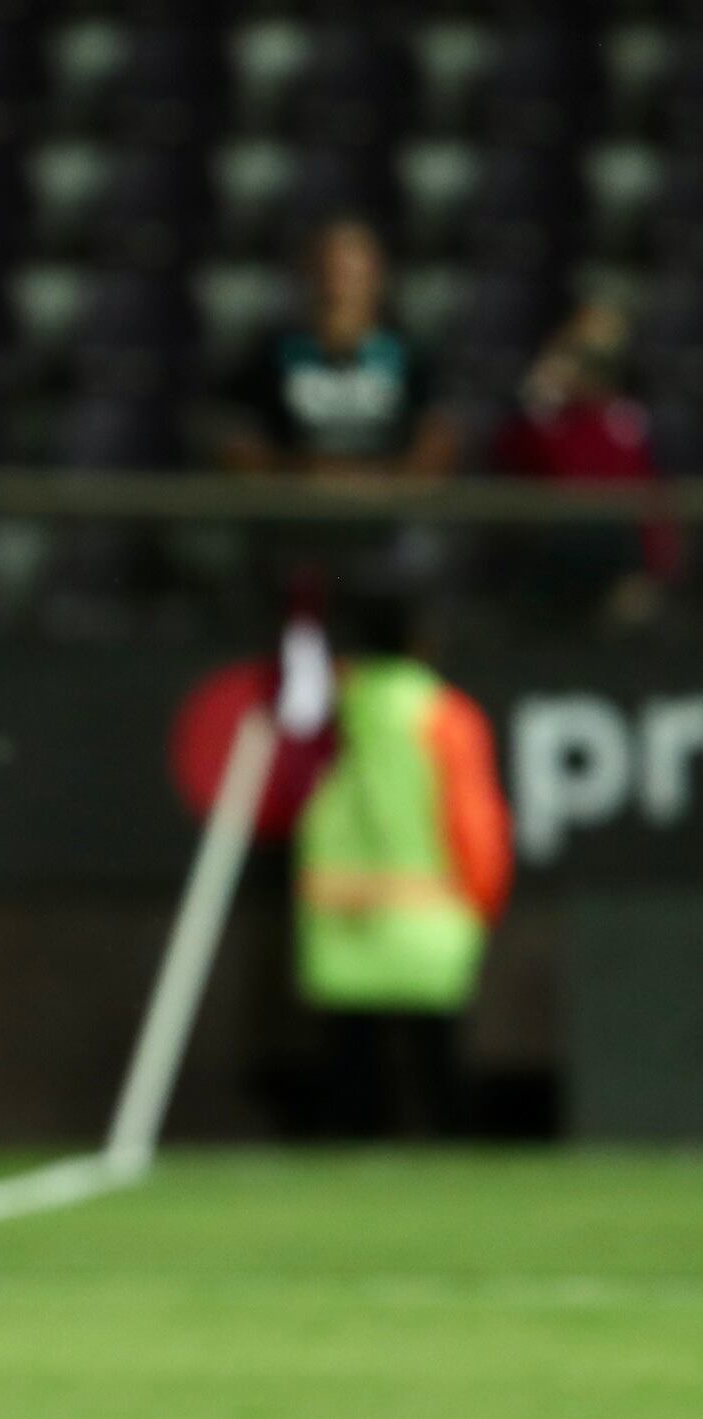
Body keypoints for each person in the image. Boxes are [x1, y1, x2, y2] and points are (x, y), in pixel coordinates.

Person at [284, 595, 512, 1137]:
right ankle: (449, 1155)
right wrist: (486, 892)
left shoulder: (333, 708)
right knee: (436, 1058)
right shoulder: (445, 716)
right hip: (429, 909)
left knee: (350, 1061)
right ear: (423, 645)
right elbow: (472, 814)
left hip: (340, 911)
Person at [218, 218, 458, 485]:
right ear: (305, 273)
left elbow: (436, 446)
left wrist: (373, 485)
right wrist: (308, 479)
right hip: (294, 513)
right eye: (326, 267)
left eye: (349, 270)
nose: (336, 282)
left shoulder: (411, 356)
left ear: (376, 274)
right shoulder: (270, 355)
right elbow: (240, 446)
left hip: (387, 514)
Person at [493, 301, 680, 627]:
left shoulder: (628, 421)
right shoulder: (542, 419)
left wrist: (654, 570)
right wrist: (541, 395)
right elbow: (510, 467)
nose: (589, 370)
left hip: (615, 563)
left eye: (600, 360)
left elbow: (651, 502)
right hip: (548, 557)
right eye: (581, 357)